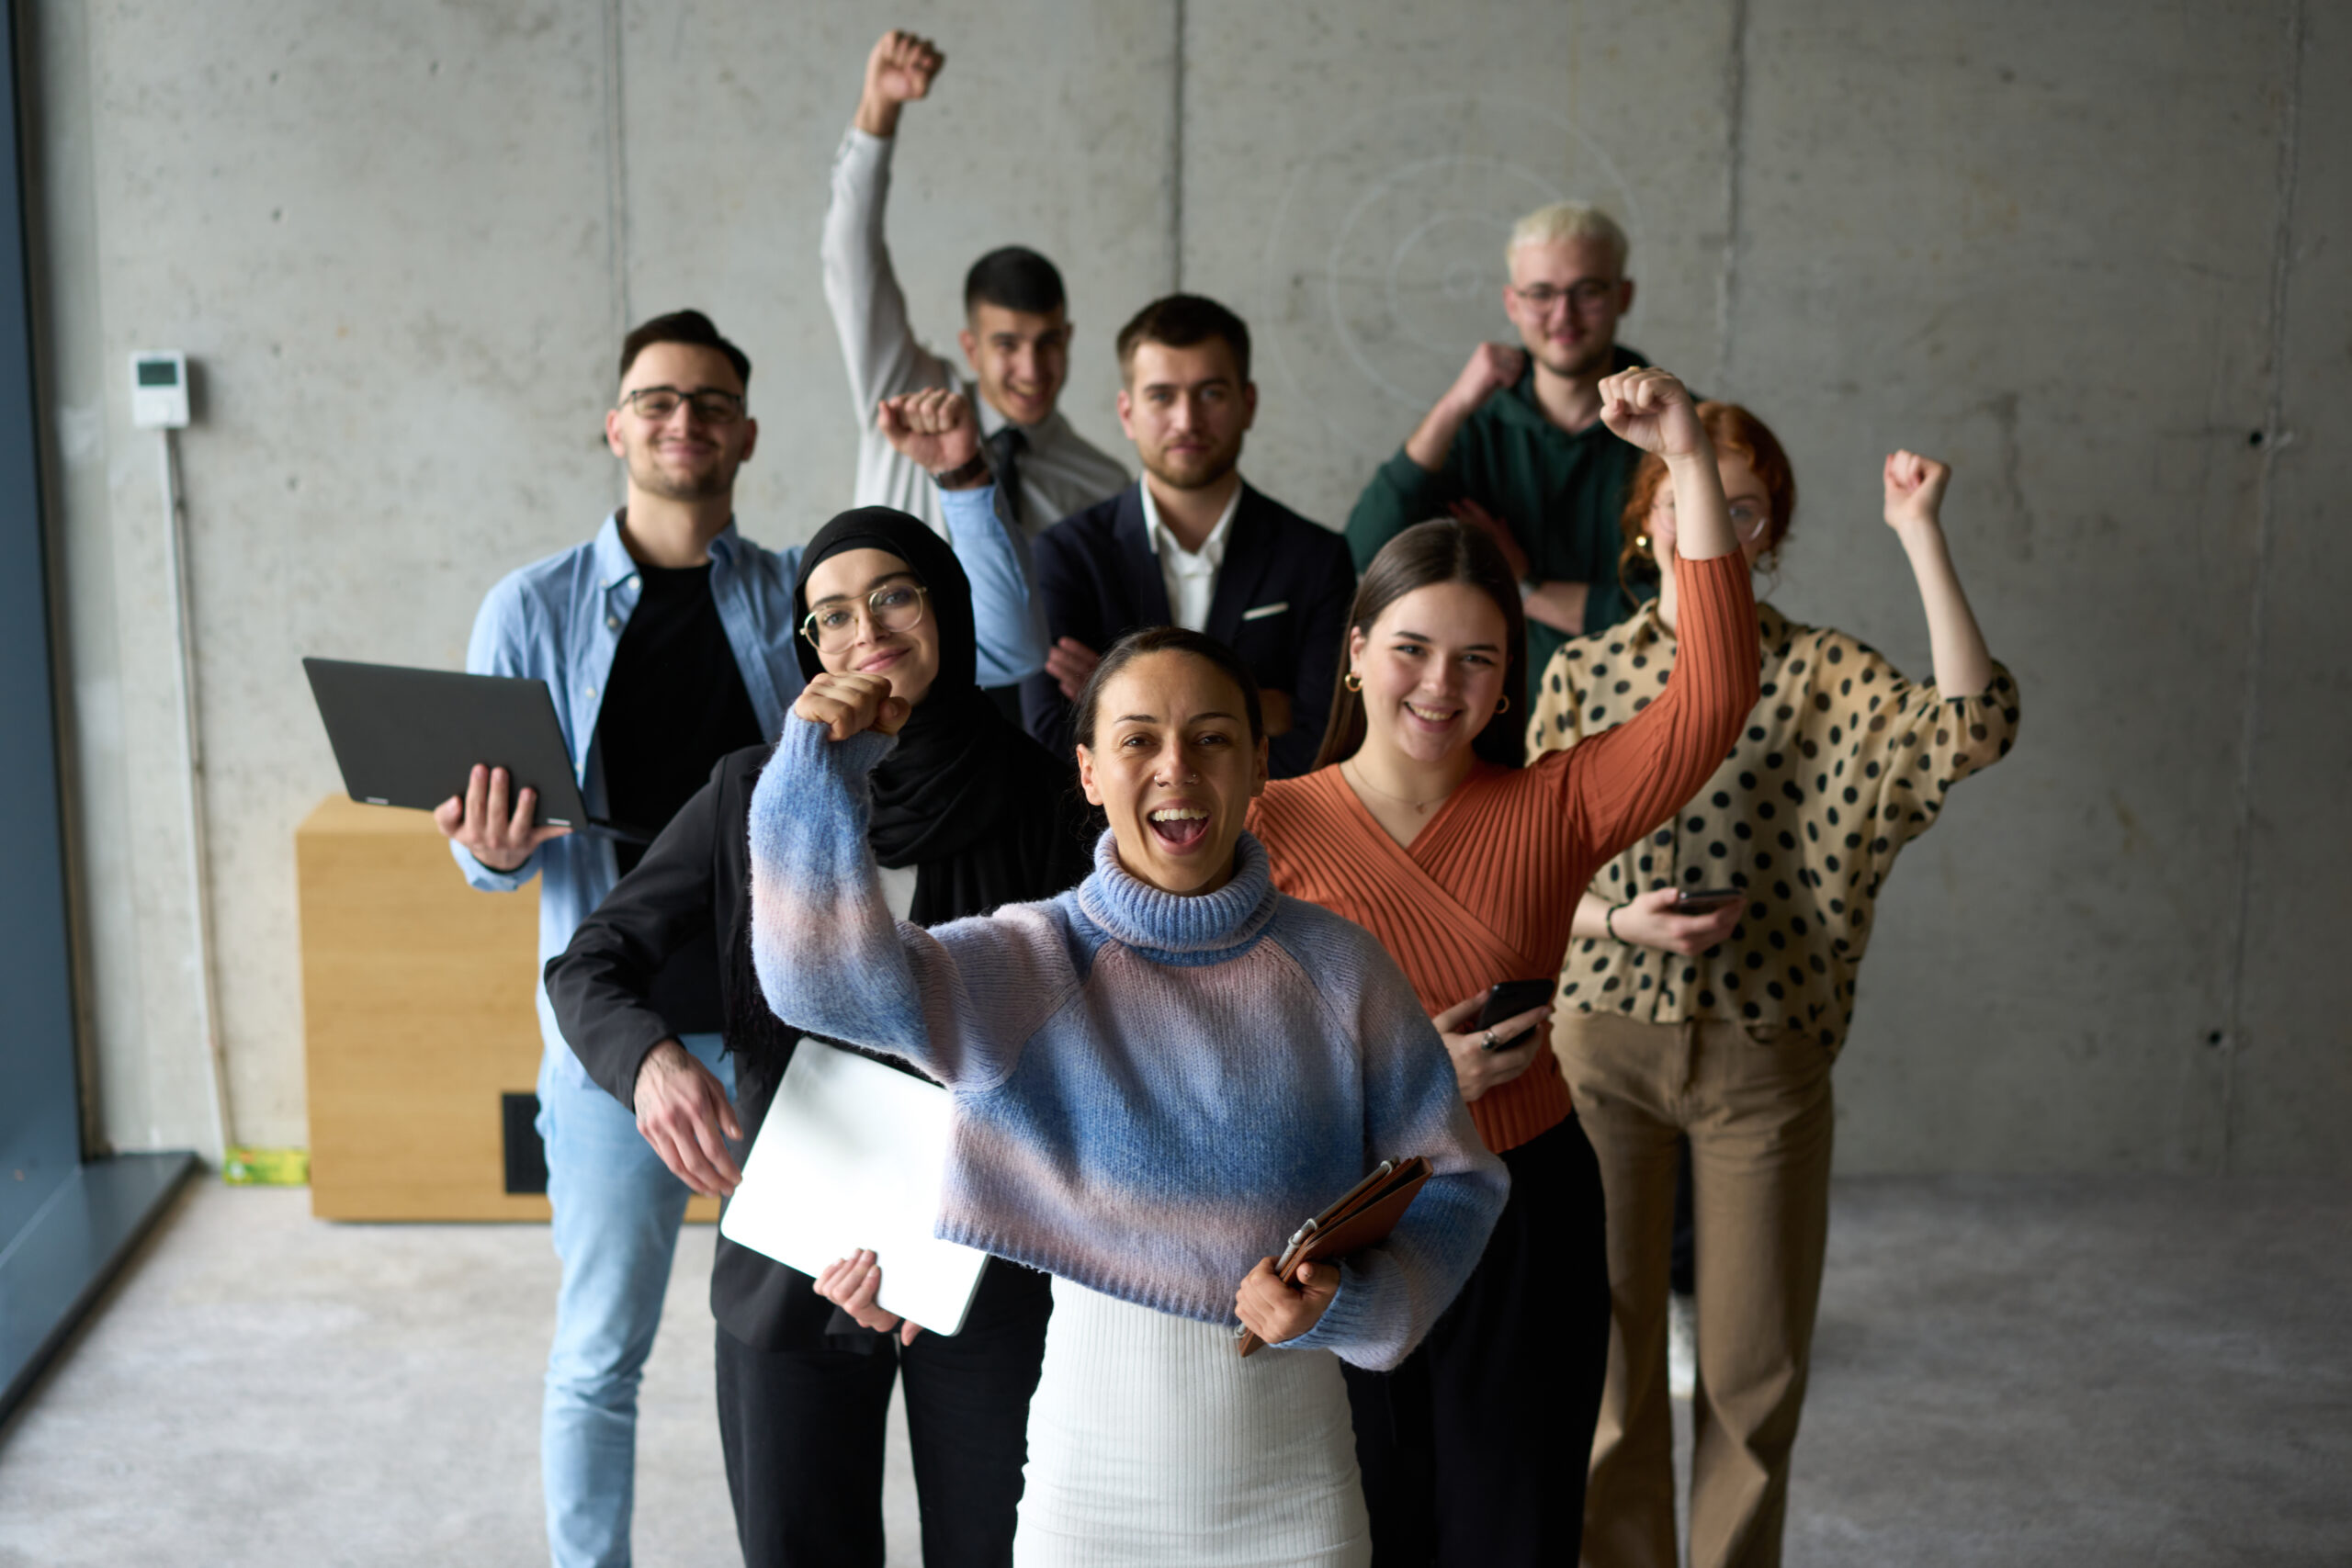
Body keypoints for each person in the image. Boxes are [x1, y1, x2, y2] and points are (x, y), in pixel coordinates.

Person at [436, 313, 1042, 1568]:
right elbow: (583, 952)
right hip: (794, 1201)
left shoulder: (1041, 792)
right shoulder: (761, 788)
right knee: (733, 1470)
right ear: (806, 651)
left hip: (982, 1236)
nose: (864, 628)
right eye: (834, 615)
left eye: (896, 597)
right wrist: (647, 1057)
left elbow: (1092, 1017)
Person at [753, 626, 1509, 1566]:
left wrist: (1351, 1306)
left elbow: (1456, 1180)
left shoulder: (1340, 968)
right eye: (1138, 739)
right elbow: (821, 985)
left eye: (1212, 738)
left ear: (1259, 765)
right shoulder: (1029, 960)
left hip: (1296, 1495)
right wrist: (815, 774)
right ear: (1087, 771)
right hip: (1088, 1495)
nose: (1175, 768)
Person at [1249, 367, 1760, 1565]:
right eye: (1413, 648)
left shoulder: (1557, 802)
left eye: (1478, 659)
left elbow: (1715, 691)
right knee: (1352, 1524)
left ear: (1509, 677)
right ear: (1358, 648)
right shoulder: (1264, 823)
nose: (1441, 684)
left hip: (1524, 1209)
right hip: (1337, 1209)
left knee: (1514, 1525)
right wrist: (1409, 1071)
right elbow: (1207, 1037)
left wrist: (1686, 454)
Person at [1528, 404, 2018, 1568]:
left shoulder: (1819, 673)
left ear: (1770, 529)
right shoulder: (1587, 673)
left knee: (1753, 1370)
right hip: (1597, 1041)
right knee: (1605, 1367)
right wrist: (1619, 919)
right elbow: (1525, 869)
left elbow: (1970, 727)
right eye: (1690, 504)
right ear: (1645, 528)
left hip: (1764, 1051)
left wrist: (1917, 532)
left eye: (1744, 510)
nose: (1719, 527)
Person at [1018, 293, 1357, 778]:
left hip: (1278, 844)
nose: (1187, 421)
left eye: (1211, 393)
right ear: (1127, 412)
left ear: (1248, 404)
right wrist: (1256, 712)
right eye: (1161, 396)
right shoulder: (1064, 554)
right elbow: (1052, 735)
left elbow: (1326, 733)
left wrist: (1120, 705)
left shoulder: (1317, 557)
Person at [823, 28, 1129, 543]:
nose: (1032, 369)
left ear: (1069, 338)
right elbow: (851, 259)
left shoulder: (1103, 486)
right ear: (971, 347)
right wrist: (879, 110)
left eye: (1048, 342)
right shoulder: (907, 397)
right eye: (1007, 344)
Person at [1345, 202, 1653, 703]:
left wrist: (1525, 587)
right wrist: (1456, 402)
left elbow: (1687, 613)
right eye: (1541, 294)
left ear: (1623, 296)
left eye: (1588, 292)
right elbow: (1366, 548)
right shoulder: (1474, 429)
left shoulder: (1676, 430)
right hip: (1496, 719)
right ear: (1512, 304)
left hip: (1639, 711)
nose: (1563, 315)